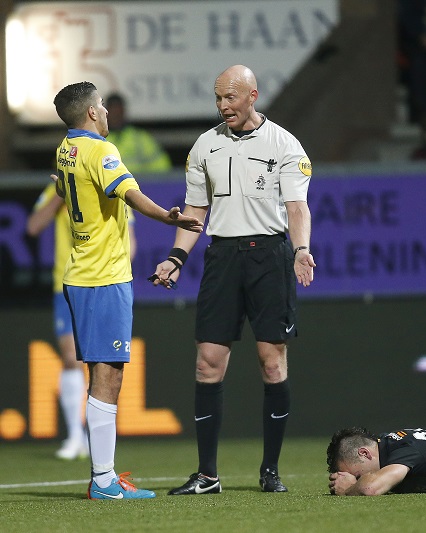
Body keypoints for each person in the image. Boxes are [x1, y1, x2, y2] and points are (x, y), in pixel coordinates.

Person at [150, 64, 315, 496]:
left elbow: (297, 206)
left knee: (271, 361)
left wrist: (301, 250)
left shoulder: (283, 143)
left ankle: (270, 471)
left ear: (253, 95)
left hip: (269, 256)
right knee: (207, 362)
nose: (224, 106)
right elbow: (195, 213)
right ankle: (207, 475)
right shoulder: (205, 146)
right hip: (222, 257)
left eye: (231, 98)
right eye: (218, 98)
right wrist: (175, 257)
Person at [51, 81, 203, 499]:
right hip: (103, 277)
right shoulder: (102, 150)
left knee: (100, 372)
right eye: (100, 104)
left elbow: (66, 189)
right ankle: (103, 480)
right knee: (108, 375)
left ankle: (105, 475)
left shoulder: (66, 148)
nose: (104, 110)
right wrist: (170, 218)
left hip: (80, 273)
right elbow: (131, 195)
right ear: (91, 114)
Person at [26, 183, 136, 460]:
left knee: (100, 361)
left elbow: (130, 241)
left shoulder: (116, 188)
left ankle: (91, 437)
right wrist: (58, 197)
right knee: (70, 357)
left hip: (104, 283)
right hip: (67, 283)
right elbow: (33, 227)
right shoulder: (61, 189)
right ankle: (75, 434)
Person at [104, 93, 172, 173]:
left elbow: (163, 167)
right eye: (113, 112)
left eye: (118, 112)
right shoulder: (97, 139)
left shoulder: (139, 138)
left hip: (138, 184)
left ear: (124, 112)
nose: (116, 116)